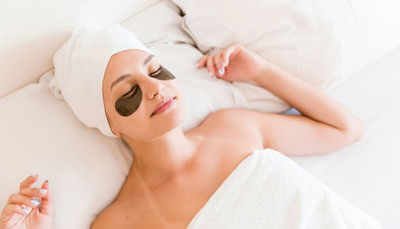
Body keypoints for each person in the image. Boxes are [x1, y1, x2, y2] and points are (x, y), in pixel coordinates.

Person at [0, 41, 364, 228]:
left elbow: (345, 129)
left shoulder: (232, 127)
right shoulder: (118, 222)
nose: (155, 89)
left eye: (156, 70)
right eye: (127, 93)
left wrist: (261, 72)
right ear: (110, 123)